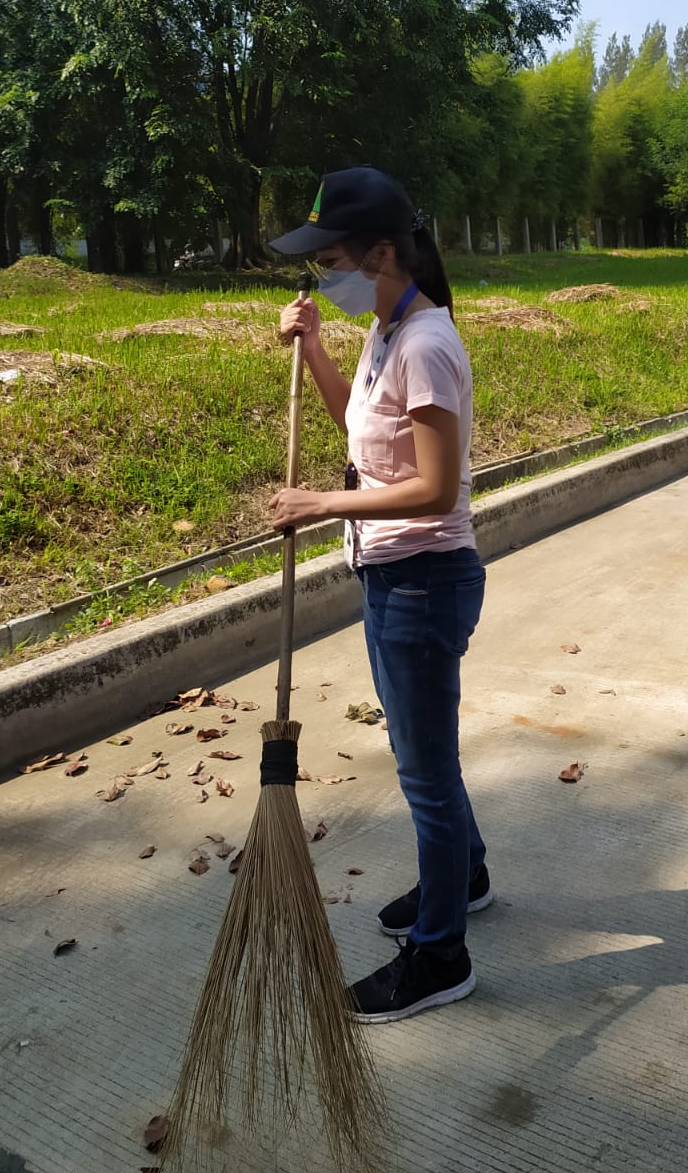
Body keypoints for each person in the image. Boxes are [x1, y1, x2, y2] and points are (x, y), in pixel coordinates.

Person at [267, 167, 491, 1023]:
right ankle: (462, 875)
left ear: (383, 252)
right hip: (389, 574)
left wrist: (320, 503)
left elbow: (437, 489)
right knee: (421, 749)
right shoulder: (386, 330)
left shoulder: (428, 342)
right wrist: (317, 345)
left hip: (423, 581)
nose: (325, 275)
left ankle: (441, 956)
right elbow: (360, 433)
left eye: (332, 262)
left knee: (424, 775)